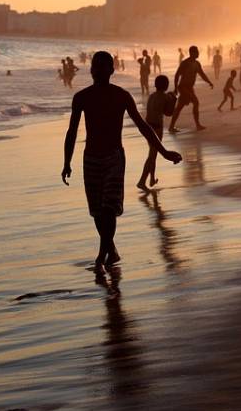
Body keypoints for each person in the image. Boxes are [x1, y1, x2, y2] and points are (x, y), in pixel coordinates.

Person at [62, 52, 182, 267]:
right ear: (91, 70)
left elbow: (143, 127)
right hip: (90, 158)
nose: (98, 70)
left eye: (103, 66)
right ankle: (111, 249)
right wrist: (66, 162)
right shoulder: (82, 97)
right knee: (97, 211)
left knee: (109, 208)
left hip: (114, 158)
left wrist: (164, 152)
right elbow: (71, 132)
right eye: (95, 66)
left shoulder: (121, 96)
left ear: (111, 70)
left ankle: (102, 254)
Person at [139, 74, 177, 190]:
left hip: (147, 126)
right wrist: (174, 100)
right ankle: (141, 181)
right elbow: (169, 113)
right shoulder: (165, 97)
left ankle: (151, 179)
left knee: (153, 153)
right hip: (156, 128)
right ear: (166, 86)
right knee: (152, 155)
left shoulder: (152, 96)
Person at [168, 45, 214, 133]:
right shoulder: (185, 63)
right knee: (195, 102)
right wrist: (175, 88)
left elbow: (202, 74)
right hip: (183, 87)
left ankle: (171, 126)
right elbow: (177, 75)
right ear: (191, 53)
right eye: (196, 52)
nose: (198, 53)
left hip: (190, 88)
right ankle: (197, 125)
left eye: (198, 51)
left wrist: (209, 82)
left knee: (179, 107)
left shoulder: (197, 64)